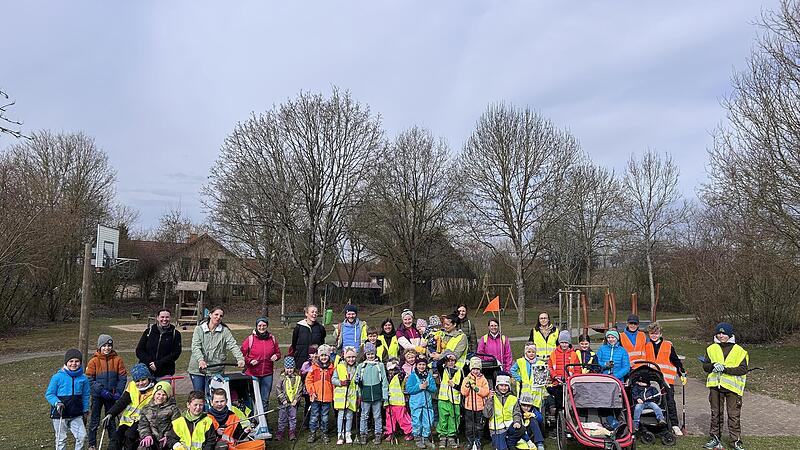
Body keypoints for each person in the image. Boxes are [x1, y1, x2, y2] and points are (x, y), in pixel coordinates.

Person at [702, 322, 749, 450]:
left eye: (724, 333)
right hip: (715, 387)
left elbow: (743, 369)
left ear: (730, 334)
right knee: (716, 414)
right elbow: (705, 366)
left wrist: (725, 369)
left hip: (732, 388)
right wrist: (712, 366)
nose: (721, 336)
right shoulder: (711, 348)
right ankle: (715, 438)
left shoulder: (740, 351)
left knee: (733, 415)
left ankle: (735, 441)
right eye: (719, 333)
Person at [188, 307, 245, 394]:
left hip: (216, 369)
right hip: (198, 369)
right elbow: (195, 346)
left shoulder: (224, 331)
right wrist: (201, 360)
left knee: (214, 396)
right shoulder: (199, 329)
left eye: (221, 316)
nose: (218, 317)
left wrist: (240, 358)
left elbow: (232, 345)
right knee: (199, 395)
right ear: (210, 315)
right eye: (216, 314)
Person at [240, 316, 280, 439]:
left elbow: (278, 353)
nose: (262, 328)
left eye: (264, 325)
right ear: (256, 326)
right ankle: (251, 422)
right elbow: (241, 353)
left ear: (267, 326)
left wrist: (276, 357)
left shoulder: (272, 338)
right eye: (259, 326)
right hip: (252, 374)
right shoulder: (250, 339)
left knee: (264, 399)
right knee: (251, 399)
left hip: (267, 374)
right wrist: (249, 360)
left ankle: (263, 422)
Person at [644, 321, 687, 436]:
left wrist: (681, 372)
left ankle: (674, 425)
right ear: (649, 334)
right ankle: (657, 424)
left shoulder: (668, 345)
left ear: (660, 334)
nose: (654, 335)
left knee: (669, 402)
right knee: (654, 402)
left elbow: (675, 360)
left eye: (656, 333)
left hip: (666, 380)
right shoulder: (646, 346)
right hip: (652, 380)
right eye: (652, 333)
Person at [86, 334, 127, 450]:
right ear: (100, 347)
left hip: (112, 396)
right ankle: (92, 444)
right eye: (104, 346)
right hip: (98, 395)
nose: (107, 348)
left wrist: (118, 391)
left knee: (111, 419)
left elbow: (123, 377)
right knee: (95, 420)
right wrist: (101, 390)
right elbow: (89, 379)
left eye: (109, 345)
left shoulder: (117, 360)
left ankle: (113, 442)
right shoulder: (93, 361)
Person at [104, 363, 157, 450]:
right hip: (127, 421)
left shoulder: (155, 389)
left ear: (149, 378)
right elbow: (122, 402)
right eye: (137, 381)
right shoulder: (132, 385)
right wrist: (111, 413)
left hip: (143, 421)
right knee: (116, 437)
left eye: (143, 380)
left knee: (129, 436)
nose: (140, 383)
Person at [46, 348, 90, 450]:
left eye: (77, 361)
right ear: (66, 362)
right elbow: (50, 394)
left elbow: (86, 395)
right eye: (71, 361)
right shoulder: (57, 377)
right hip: (60, 414)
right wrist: (57, 403)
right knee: (61, 440)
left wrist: (85, 409)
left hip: (76, 414)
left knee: (82, 436)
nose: (74, 364)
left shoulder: (83, 378)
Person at [356, 342, 388, 445]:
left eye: (372, 354)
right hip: (365, 395)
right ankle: (363, 434)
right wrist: (358, 389)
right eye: (368, 354)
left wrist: (385, 395)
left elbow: (384, 380)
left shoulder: (380, 365)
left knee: (377, 416)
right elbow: (357, 383)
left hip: (377, 394)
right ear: (365, 354)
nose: (370, 356)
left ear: (375, 354)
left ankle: (378, 433)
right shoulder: (361, 366)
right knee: (364, 416)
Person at [135, 309, 182, 378]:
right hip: (146, 371)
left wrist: (158, 363)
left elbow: (175, 353)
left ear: (170, 318)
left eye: (167, 317)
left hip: (165, 371)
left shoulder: (176, 334)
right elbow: (139, 350)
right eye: (162, 317)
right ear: (157, 318)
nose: (165, 319)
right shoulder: (149, 332)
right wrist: (150, 363)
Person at [483, 373, 522, 450]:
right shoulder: (492, 397)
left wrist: (517, 422)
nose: (504, 388)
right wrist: (489, 400)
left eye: (506, 385)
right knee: (502, 448)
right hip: (497, 429)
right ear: (497, 386)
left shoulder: (513, 398)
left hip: (510, 427)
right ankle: (500, 442)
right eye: (501, 385)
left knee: (522, 430)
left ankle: (508, 442)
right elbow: (487, 415)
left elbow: (517, 413)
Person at [137, 381, 180, 450]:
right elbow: (143, 425)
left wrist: (169, 436)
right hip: (152, 436)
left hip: (168, 438)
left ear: (168, 396)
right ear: (154, 395)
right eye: (158, 394)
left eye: (164, 395)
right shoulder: (146, 408)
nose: (160, 397)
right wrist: (147, 435)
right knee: (143, 446)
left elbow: (177, 426)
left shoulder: (173, 409)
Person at [405, 355, 437, 449]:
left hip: (427, 403)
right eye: (419, 364)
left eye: (423, 364)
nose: (421, 366)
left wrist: (427, 387)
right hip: (416, 403)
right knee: (417, 421)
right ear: (416, 365)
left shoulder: (429, 376)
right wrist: (419, 387)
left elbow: (434, 388)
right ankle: (417, 438)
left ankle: (425, 437)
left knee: (428, 421)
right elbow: (409, 389)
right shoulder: (412, 376)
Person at [305, 343, 335, 444]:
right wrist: (312, 392)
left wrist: (333, 394)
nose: (323, 357)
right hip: (315, 397)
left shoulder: (332, 368)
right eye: (321, 355)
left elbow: (333, 383)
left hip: (327, 397)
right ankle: (312, 433)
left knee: (325, 417)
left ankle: (324, 433)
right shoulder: (313, 367)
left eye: (325, 355)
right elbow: (308, 381)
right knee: (314, 416)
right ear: (318, 356)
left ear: (329, 356)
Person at [460, 357, 490, 450]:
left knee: (479, 426)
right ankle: (470, 441)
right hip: (469, 407)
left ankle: (478, 441)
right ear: (470, 369)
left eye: (477, 369)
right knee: (469, 426)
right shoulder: (466, 379)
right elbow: (464, 393)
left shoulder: (483, 379)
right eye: (473, 369)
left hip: (480, 407)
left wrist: (476, 388)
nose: (475, 371)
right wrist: (467, 386)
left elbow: (485, 392)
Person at [332, 346, 358, 445]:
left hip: (352, 395)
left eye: (353, 357)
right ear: (345, 357)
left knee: (349, 415)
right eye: (349, 357)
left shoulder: (357, 367)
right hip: (341, 396)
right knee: (341, 415)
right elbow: (333, 380)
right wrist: (341, 382)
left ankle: (348, 433)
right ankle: (340, 434)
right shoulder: (339, 366)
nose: (351, 359)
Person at [436, 350, 462, 448]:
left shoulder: (460, 371)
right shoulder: (443, 370)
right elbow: (438, 363)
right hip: (443, 399)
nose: (451, 362)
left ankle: (451, 436)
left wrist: (454, 385)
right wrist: (445, 357)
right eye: (449, 360)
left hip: (454, 400)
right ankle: (443, 437)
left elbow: (461, 387)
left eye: (453, 360)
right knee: (443, 419)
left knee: (454, 418)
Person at [547, 330, 579, 411]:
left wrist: (573, 379)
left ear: (569, 343)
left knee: (570, 404)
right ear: (559, 342)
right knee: (559, 403)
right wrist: (555, 376)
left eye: (566, 342)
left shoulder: (574, 354)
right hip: (557, 383)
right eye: (562, 342)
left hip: (570, 384)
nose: (564, 345)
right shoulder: (554, 354)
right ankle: (559, 417)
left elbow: (578, 369)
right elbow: (550, 367)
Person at [384, 357, 414, 442]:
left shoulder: (399, 376)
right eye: (390, 370)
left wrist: (398, 366)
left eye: (394, 369)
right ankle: (390, 433)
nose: (392, 371)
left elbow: (402, 373)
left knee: (402, 418)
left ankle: (410, 432)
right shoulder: (386, 377)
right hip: (389, 402)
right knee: (389, 418)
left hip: (399, 402)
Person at [510, 342, 547, 411]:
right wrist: (519, 379)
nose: (531, 354)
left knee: (535, 410)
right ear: (525, 352)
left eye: (533, 352)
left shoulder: (540, 363)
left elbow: (545, 373)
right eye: (529, 352)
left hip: (536, 392)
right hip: (524, 391)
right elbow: (512, 370)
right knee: (524, 409)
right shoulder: (520, 361)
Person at [290, 304, 327, 370]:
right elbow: (294, 343)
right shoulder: (299, 327)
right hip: (300, 359)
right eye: (312, 312)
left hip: (315, 360)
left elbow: (322, 343)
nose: (314, 314)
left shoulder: (320, 328)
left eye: (316, 312)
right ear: (306, 313)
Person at [275, 356, 302, 442]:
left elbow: (299, 390)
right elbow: (278, 389)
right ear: (285, 368)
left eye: (291, 368)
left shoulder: (298, 378)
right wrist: (283, 400)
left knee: (293, 418)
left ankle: (292, 432)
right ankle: (280, 432)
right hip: (283, 403)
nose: (289, 370)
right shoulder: (282, 377)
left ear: (294, 368)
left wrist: (296, 400)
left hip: (293, 403)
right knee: (282, 418)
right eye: (287, 368)